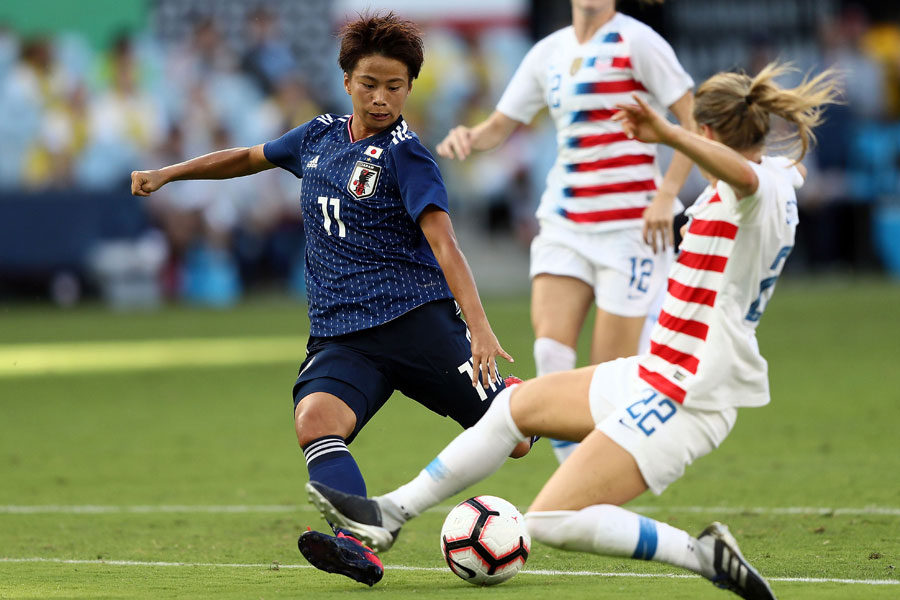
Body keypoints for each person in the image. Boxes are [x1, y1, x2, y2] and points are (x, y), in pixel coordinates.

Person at [306, 62, 841, 599]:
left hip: (693, 393)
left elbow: (744, 176)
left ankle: (702, 554)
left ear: (704, 134)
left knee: (553, 519)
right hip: (659, 369)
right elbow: (757, 166)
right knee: (513, 410)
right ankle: (387, 514)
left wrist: (667, 133)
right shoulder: (778, 175)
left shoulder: (756, 189)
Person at [131, 12, 531, 587]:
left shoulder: (407, 155)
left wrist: (481, 328)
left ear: (409, 88)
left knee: (517, 440)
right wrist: (169, 173)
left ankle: (528, 401)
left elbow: (446, 246)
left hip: (417, 322)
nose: (380, 97)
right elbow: (248, 158)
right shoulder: (317, 136)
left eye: (395, 86)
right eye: (369, 83)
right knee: (315, 420)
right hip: (343, 334)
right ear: (347, 80)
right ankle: (358, 543)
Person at [436, 0, 697, 463]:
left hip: (631, 229)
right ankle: (572, 483)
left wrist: (666, 194)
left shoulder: (639, 41)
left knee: (607, 375)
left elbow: (692, 123)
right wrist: (470, 137)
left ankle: (592, 481)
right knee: (551, 354)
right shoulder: (548, 52)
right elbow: (501, 124)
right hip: (564, 223)